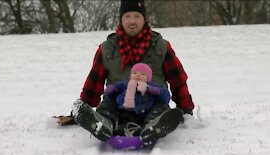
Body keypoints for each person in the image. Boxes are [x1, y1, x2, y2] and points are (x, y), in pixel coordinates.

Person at [71, 0, 194, 145]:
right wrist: (84, 107)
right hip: (117, 104)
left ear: (144, 19)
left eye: (137, 16)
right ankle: (103, 124)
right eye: (128, 16)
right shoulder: (107, 49)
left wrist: (186, 108)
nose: (132, 21)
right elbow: (93, 82)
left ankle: (154, 127)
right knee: (107, 107)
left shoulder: (161, 47)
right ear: (121, 19)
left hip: (152, 104)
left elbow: (178, 81)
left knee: (160, 110)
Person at [104, 63, 170, 136]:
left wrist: (155, 91)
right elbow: (112, 93)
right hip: (123, 114)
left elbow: (166, 98)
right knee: (108, 103)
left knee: (161, 107)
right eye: (134, 73)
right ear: (130, 76)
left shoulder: (151, 86)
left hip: (145, 116)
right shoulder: (124, 85)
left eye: (142, 74)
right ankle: (105, 121)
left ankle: (151, 127)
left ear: (148, 78)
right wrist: (112, 90)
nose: (138, 75)